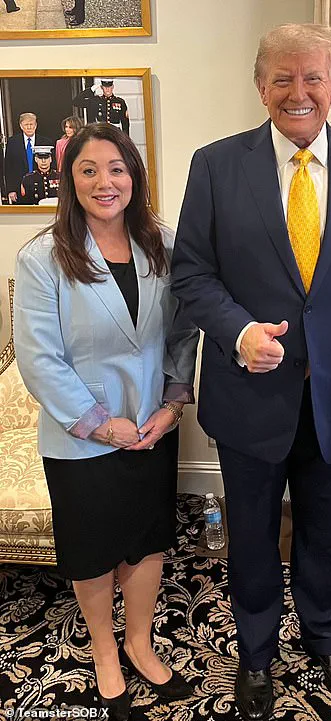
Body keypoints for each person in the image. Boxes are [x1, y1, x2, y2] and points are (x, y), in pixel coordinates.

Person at [171, 22, 331, 721]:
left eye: (313, 78)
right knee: (251, 532)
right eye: (282, 78)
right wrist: (239, 331)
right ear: (259, 85)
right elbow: (191, 274)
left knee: (329, 529)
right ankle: (255, 652)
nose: (298, 92)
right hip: (248, 394)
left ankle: (329, 639)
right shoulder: (216, 165)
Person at [14, 123, 198, 721]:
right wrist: (100, 424)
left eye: (116, 169)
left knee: (147, 541)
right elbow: (39, 359)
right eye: (88, 170)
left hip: (152, 427)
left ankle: (139, 643)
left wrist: (172, 405)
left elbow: (182, 331)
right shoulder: (42, 257)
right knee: (93, 549)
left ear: (134, 176)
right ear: (69, 179)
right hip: (80, 437)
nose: (104, 182)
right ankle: (104, 651)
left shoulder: (163, 243)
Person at [4, 113, 54, 204]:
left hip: (42, 188)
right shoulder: (12, 142)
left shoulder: (46, 142)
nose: (29, 127)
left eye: (31, 124)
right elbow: (9, 168)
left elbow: (52, 165)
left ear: (36, 125)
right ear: (21, 126)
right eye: (26, 124)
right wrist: (11, 190)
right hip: (20, 189)